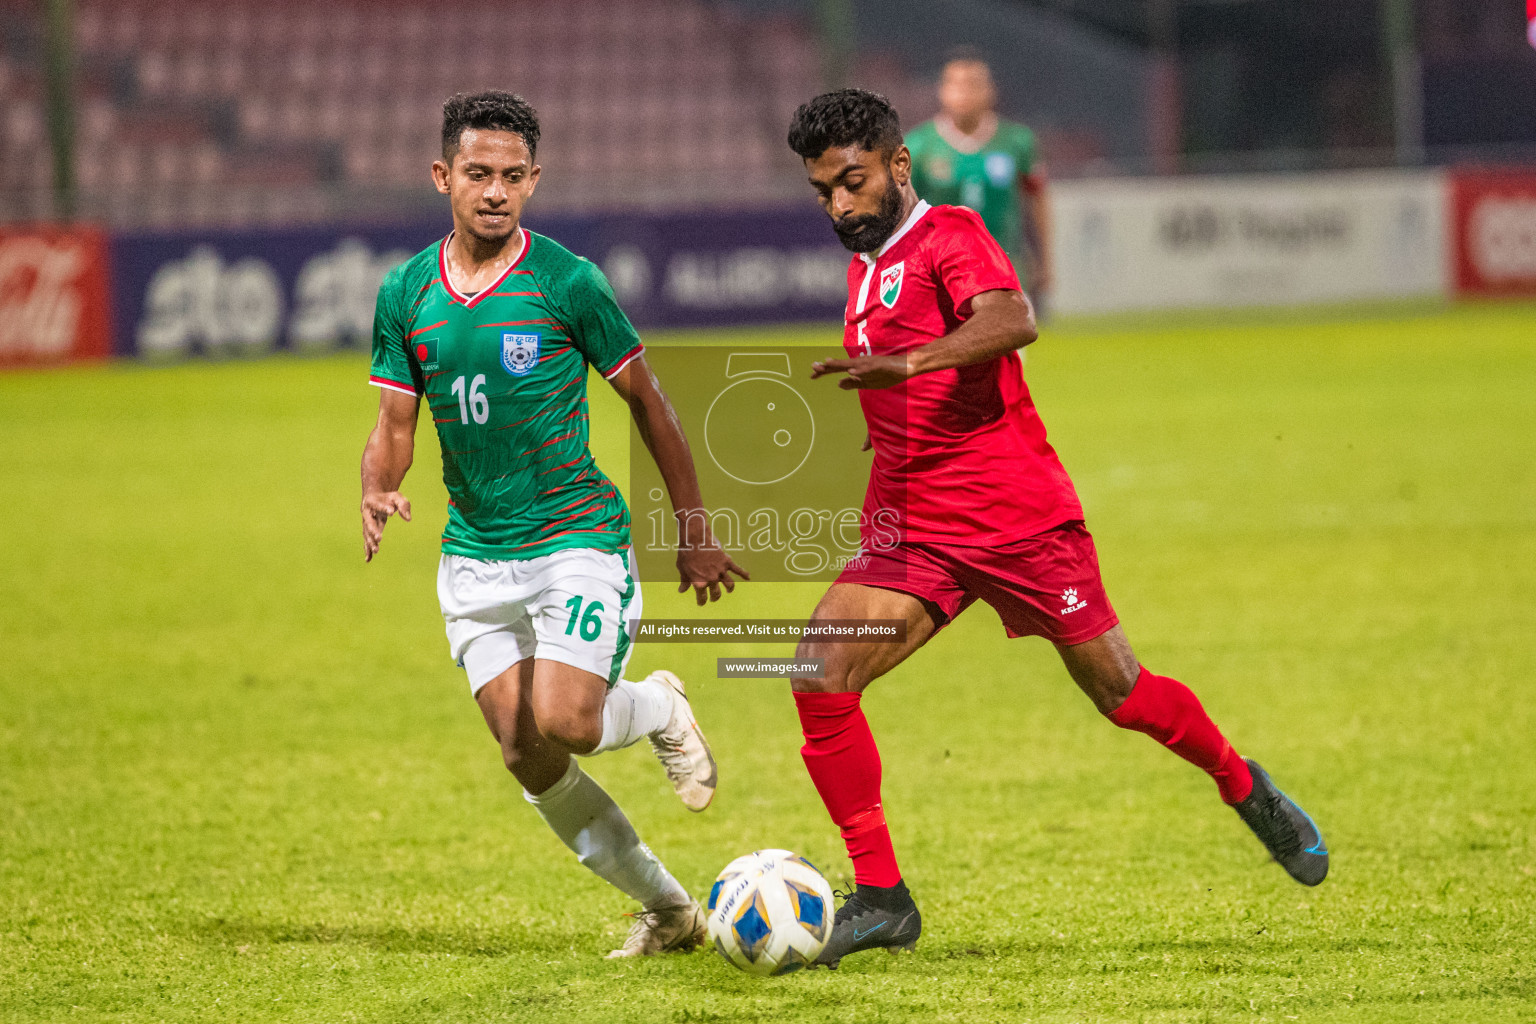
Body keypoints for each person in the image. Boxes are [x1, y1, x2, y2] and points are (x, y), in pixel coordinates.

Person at [784, 89, 1328, 969]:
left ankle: (1244, 785)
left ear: (897, 165)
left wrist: (912, 359)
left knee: (1122, 694)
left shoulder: (950, 235)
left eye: (852, 183)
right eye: (822, 191)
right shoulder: (866, 263)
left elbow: (1011, 319)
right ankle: (883, 897)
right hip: (914, 526)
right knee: (819, 671)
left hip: (1015, 519)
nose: (840, 206)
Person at [360, 91, 747, 958]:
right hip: (474, 559)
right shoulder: (406, 292)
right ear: (441, 177)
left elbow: (651, 403)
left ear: (534, 180)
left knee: (570, 720)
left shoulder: (569, 281)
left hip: (577, 541)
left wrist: (694, 527)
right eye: (476, 174)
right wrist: (377, 488)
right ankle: (671, 910)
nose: (493, 191)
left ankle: (656, 706)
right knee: (525, 754)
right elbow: (392, 428)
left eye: (510, 176)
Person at [905, 49, 1053, 311]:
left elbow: (1037, 199)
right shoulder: (918, 145)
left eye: (973, 85)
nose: (964, 93)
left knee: (1004, 347)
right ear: (942, 91)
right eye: (957, 84)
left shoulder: (1018, 141)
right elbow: (902, 210)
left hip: (1004, 267)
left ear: (991, 91)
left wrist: (1044, 259)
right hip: (939, 272)